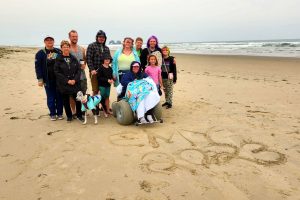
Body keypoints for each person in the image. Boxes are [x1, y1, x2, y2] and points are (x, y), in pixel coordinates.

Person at [34, 36, 63, 121]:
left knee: (59, 97)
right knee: (51, 97)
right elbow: (37, 67)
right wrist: (40, 79)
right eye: (47, 40)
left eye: (51, 40)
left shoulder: (58, 51)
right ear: (45, 42)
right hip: (48, 80)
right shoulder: (40, 53)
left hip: (58, 79)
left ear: (54, 42)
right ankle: (53, 114)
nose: (49, 42)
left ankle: (60, 113)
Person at [54, 40, 83, 122]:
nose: (66, 48)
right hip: (64, 84)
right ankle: (69, 116)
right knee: (66, 101)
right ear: (61, 48)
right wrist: (67, 81)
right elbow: (57, 72)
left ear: (69, 48)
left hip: (75, 83)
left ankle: (79, 115)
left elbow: (78, 70)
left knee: (78, 100)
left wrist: (74, 80)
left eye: (67, 46)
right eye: (64, 47)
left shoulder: (73, 58)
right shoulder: (58, 59)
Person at [68, 30, 87, 118]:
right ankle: (74, 111)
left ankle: (81, 111)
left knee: (82, 94)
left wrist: (83, 64)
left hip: (82, 76)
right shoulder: (67, 49)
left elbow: (83, 59)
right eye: (73, 36)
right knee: (72, 95)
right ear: (70, 37)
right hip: (72, 76)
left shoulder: (81, 49)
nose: (75, 38)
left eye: (76, 36)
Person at [86, 30, 111, 95]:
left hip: (104, 73)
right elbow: (88, 59)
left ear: (105, 38)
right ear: (97, 37)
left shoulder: (106, 48)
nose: (101, 38)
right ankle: (94, 105)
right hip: (95, 72)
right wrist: (92, 69)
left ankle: (102, 105)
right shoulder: (91, 46)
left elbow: (109, 60)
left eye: (103, 37)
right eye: (100, 37)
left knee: (103, 91)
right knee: (95, 90)